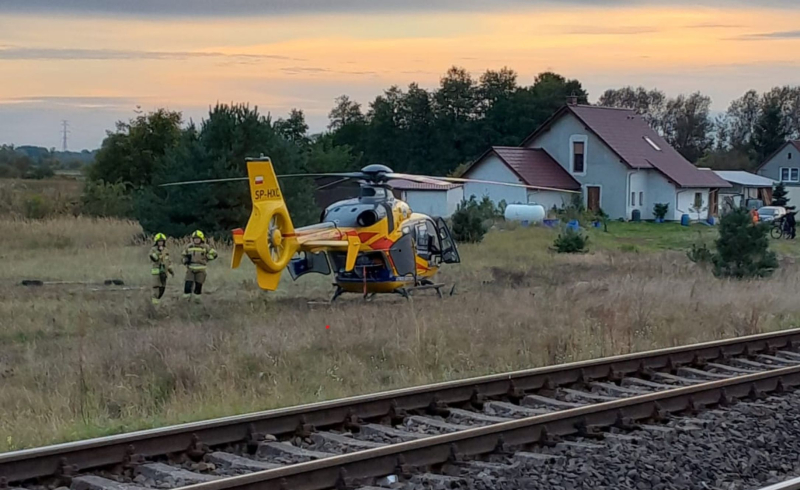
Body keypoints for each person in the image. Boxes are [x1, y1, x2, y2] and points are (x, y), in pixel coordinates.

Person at [182, 230, 218, 301]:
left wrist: (207, 258)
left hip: (201, 269)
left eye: (198, 239)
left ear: (201, 239)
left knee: (198, 285)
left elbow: (214, 254)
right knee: (188, 284)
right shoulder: (189, 246)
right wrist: (185, 261)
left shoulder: (205, 247)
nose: (196, 240)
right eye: (195, 238)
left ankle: (197, 299)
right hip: (190, 269)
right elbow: (183, 255)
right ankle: (186, 300)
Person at [149, 233, 174, 305]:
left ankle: (157, 300)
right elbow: (154, 258)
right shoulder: (153, 250)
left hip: (164, 273)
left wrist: (171, 271)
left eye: (162, 241)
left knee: (162, 288)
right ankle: (154, 304)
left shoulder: (166, 250)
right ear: (156, 242)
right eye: (159, 241)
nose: (160, 243)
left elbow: (168, 261)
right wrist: (159, 252)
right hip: (156, 272)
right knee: (156, 287)